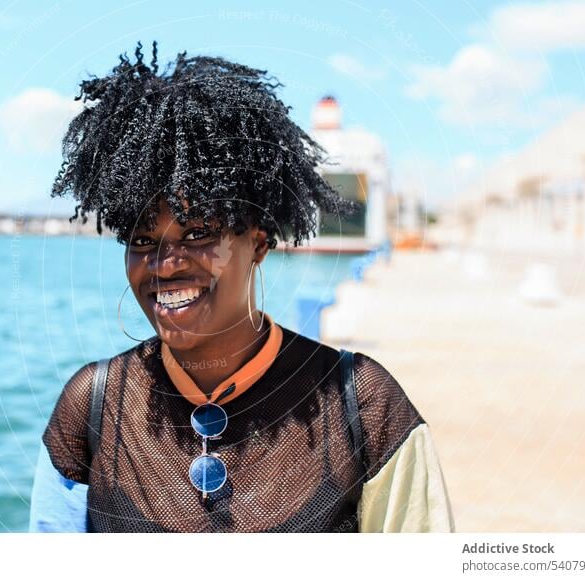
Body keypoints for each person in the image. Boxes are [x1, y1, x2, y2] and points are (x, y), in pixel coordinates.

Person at [29, 42, 454, 533]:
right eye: (144, 239)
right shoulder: (90, 410)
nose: (165, 265)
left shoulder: (366, 408)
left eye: (197, 233)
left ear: (258, 242)